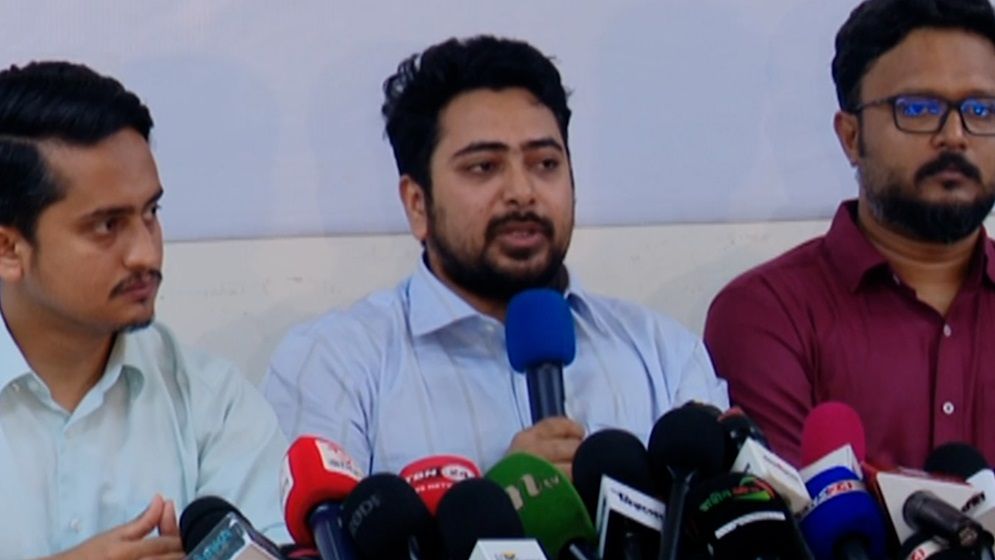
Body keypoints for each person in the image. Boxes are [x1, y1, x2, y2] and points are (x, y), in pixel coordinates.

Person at [263, 35, 728, 477]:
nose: (522, 192)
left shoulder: (664, 353)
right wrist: (499, 498)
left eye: (545, 164)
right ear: (417, 204)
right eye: (484, 167)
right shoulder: (334, 364)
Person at [0, 61, 288, 559]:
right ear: (8, 249)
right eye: (107, 226)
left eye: (151, 213)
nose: (146, 253)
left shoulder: (212, 404)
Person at [704, 0, 995, 468]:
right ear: (851, 137)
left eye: (982, 109)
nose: (955, 135)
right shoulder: (768, 315)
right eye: (918, 109)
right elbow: (790, 500)